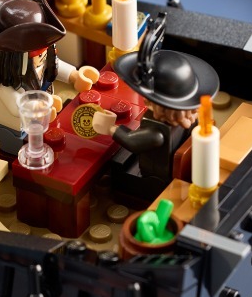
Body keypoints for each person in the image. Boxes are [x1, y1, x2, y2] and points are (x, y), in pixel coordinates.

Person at [93, 12, 219, 205]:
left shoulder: (157, 132)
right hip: (166, 170)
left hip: (153, 180)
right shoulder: (189, 120)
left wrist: (110, 128)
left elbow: (132, 141)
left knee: (115, 165)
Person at [0, 0, 95, 155]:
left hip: (44, 124)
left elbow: (56, 66)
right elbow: (17, 107)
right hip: (18, 135)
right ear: (17, 61)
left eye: (45, 52)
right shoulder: (5, 88)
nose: (43, 58)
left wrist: (75, 76)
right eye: (38, 55)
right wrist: (42, 107)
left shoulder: (40, 66)